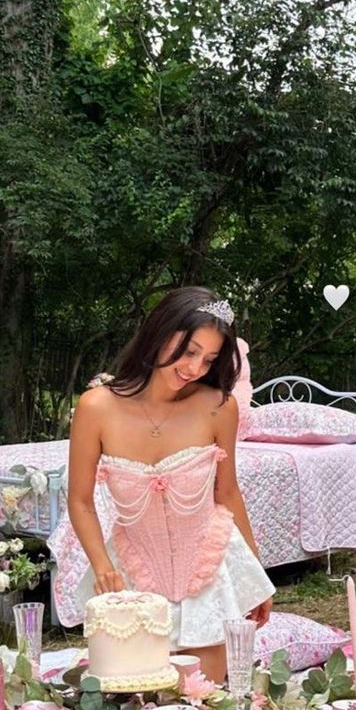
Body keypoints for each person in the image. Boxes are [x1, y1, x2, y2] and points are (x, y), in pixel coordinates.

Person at [67, 286, 275, 684]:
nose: (195, 367)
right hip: (133, 578)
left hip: (208, 576)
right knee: (135, 699)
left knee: (205, 700)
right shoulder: (96, 407)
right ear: (160, 332)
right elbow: (80, 500)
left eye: (208, 359)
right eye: (189, 350)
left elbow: (227, 493)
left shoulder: (218, 406)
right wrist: (102, 567)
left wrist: (256, 578)